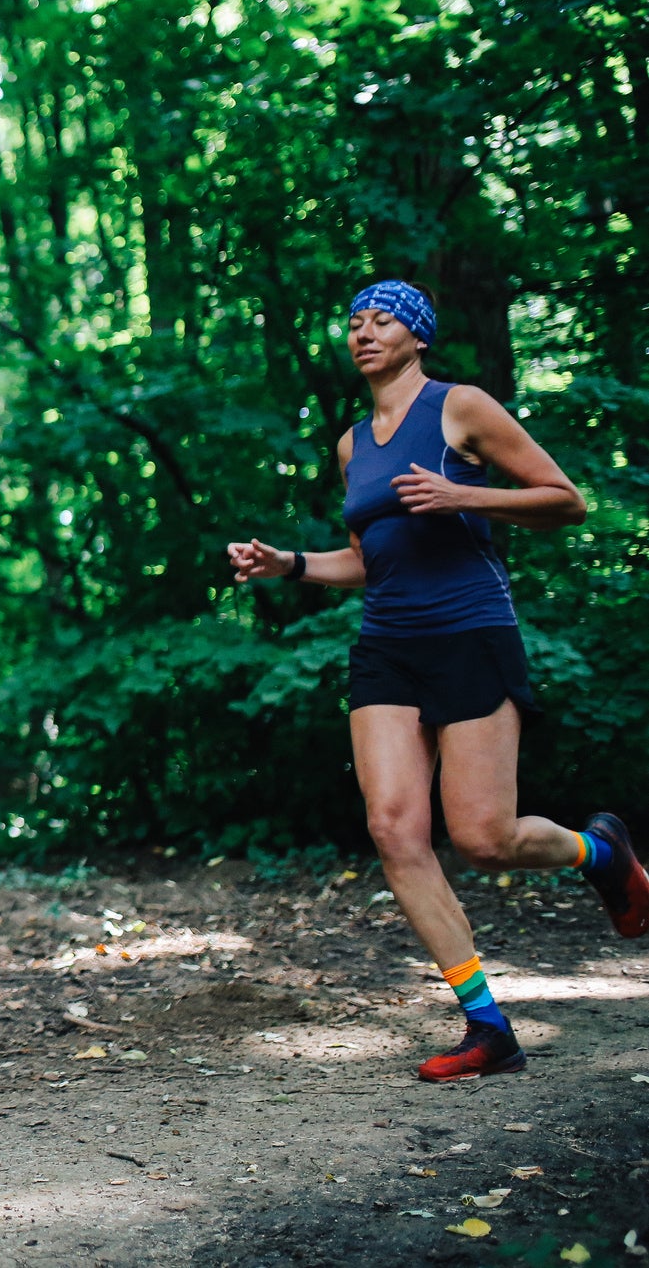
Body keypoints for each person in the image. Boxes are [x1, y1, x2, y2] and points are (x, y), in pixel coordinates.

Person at [227, 279, 649, 1083]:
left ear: (416, 335)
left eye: (381, 319)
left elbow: (566, 501)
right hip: (387, 645)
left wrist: (462, 493)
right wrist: (286, 565)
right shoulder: (353, 444)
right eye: (352, 321)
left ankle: (601, 852)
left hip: (470, 635)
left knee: (483, 839)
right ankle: (486, 1027)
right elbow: (364, 558)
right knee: (394, 831)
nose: (362, 332)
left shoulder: (459, 408)